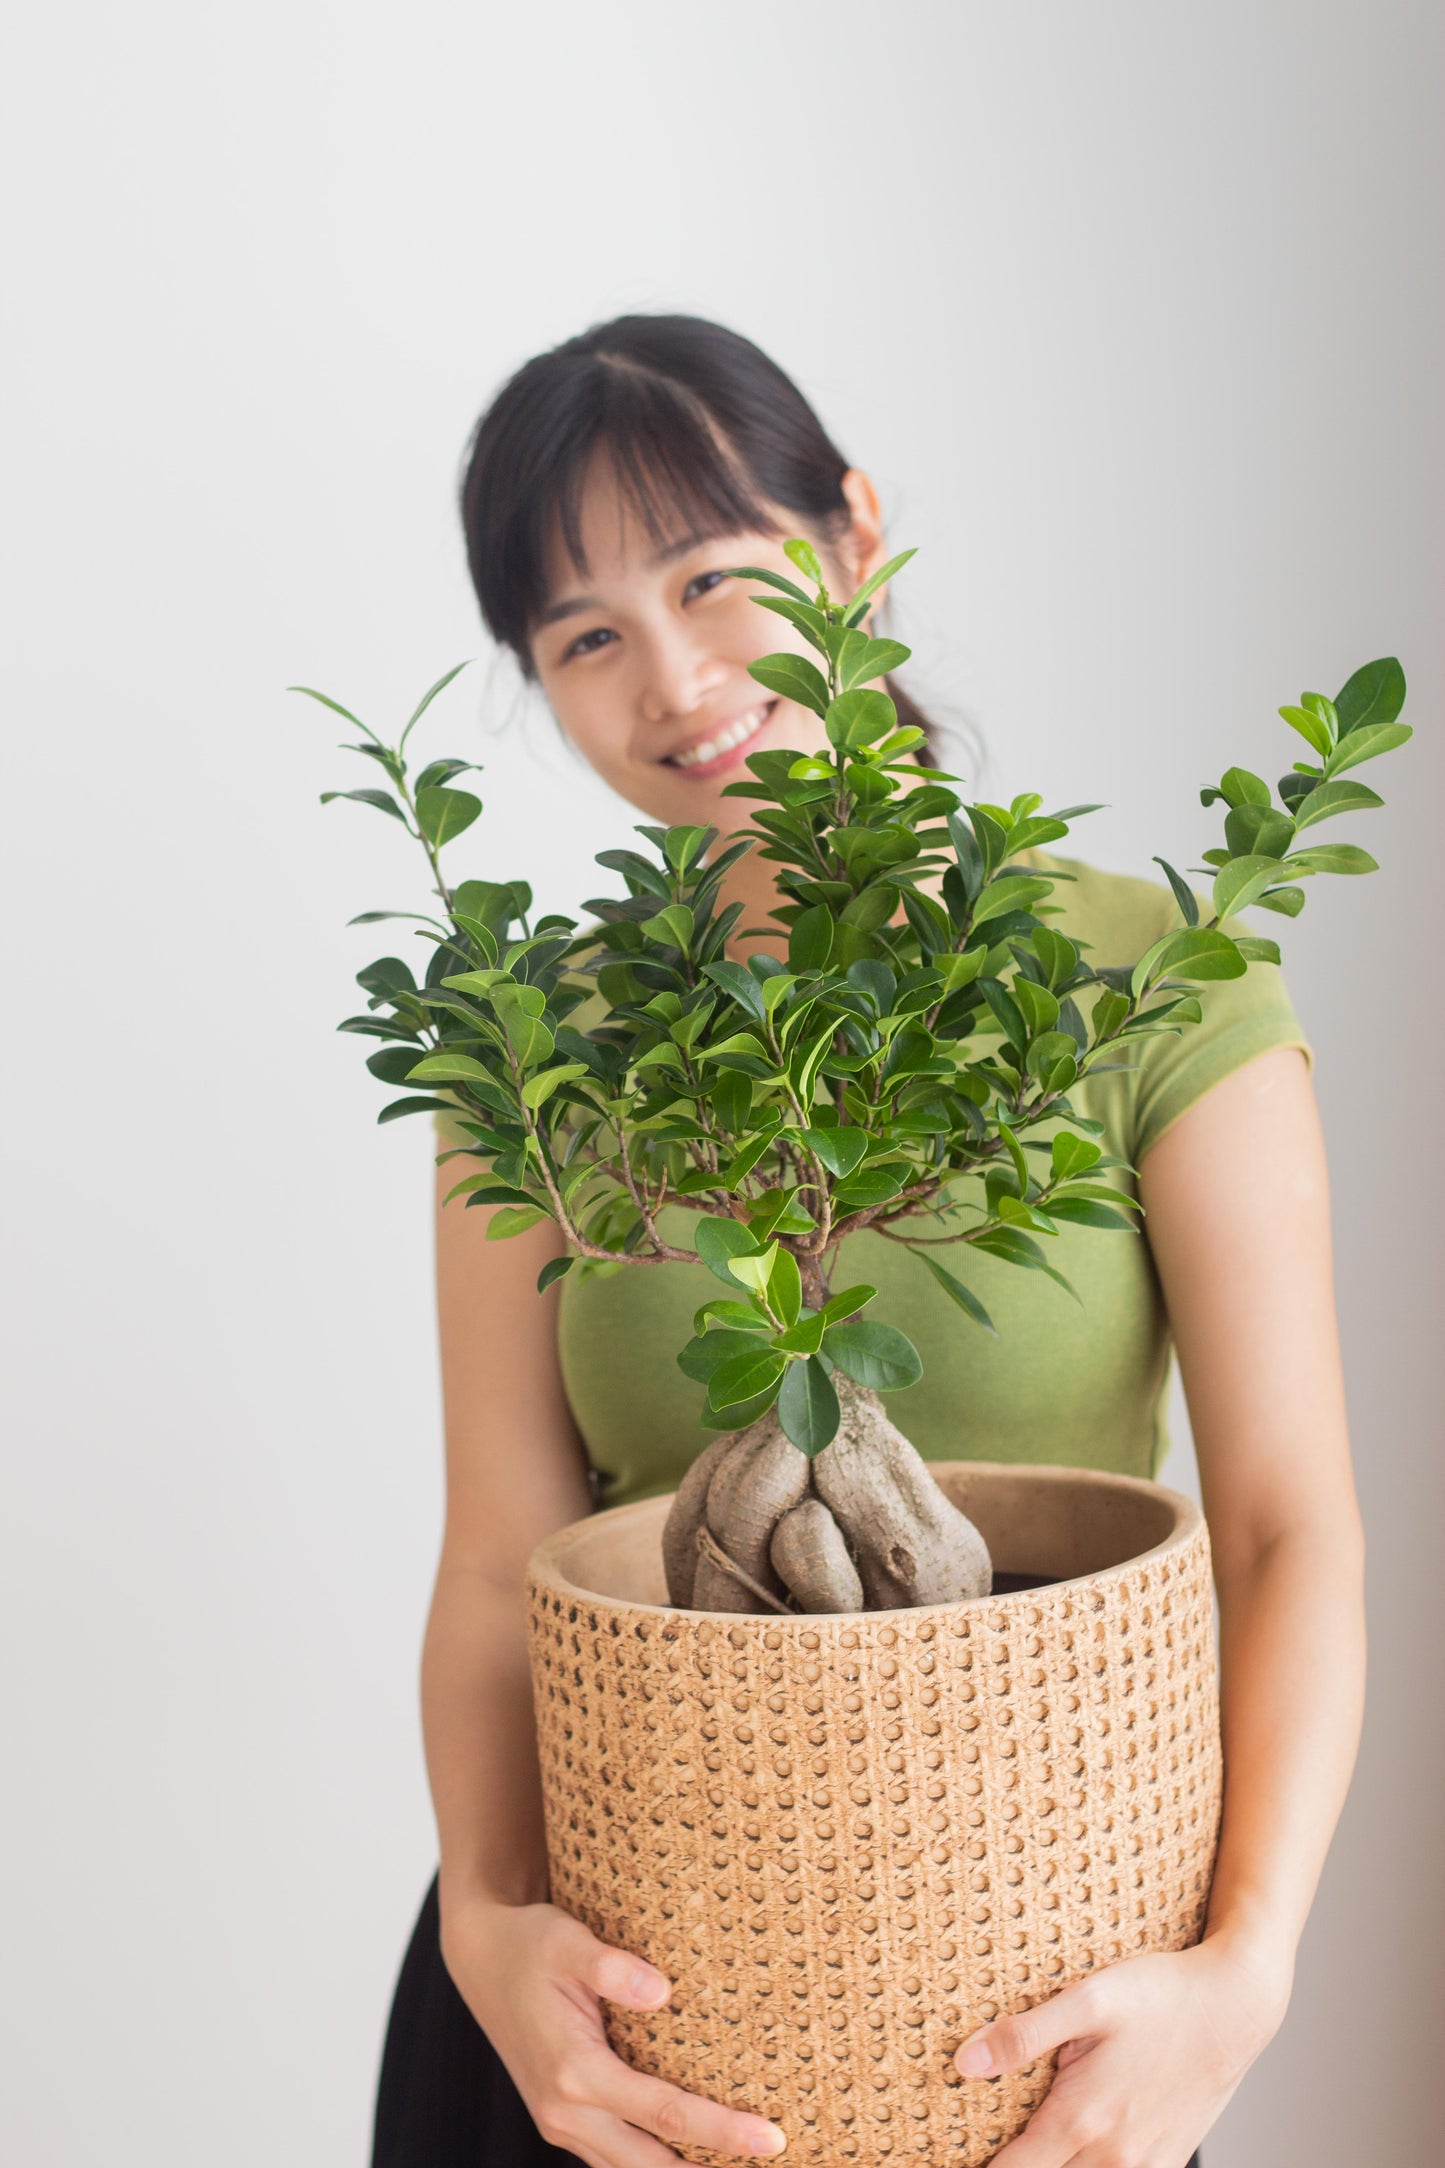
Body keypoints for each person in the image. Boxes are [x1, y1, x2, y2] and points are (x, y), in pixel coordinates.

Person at [370, 314, 1365, 2168]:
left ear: (851, 543)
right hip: (605, 2019)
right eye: (584, 636)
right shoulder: (532, 1043)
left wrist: (1245, 1969)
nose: (669, 679)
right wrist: (487, 1927)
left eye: (709, 578)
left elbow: (1287, 1526)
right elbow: (493, 1557)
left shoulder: (1147, 983)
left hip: (1023, 2011)